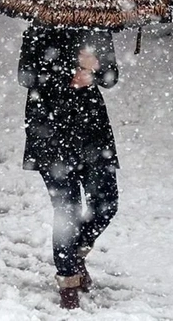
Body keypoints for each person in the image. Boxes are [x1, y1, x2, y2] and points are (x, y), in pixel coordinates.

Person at [17, 23, 120, 309]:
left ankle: (74, 255)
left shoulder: (97, 30)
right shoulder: (38, 31)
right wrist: (70, 70)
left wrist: (95, 69)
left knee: (107, 202)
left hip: (92, 132)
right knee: (67, 211)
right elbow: (26, 77)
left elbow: (111, 78)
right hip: (50, 130)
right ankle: (68, 282)